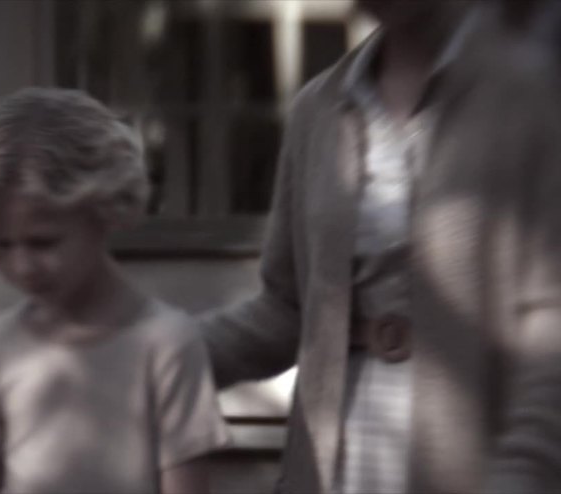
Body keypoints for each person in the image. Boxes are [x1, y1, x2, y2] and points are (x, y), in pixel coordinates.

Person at [201, 1, 561, 493]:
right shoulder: (318, 109)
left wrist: (525, 472)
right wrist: (161, 351)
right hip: (338, 462)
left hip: (476, 462)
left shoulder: (530, 96)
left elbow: (550, 320)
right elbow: (287, 309)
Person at [0, 87, 230, 494]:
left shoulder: (167, 345)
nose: (21, 266)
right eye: (2, 245)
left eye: (43, 242)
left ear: (104, 211)